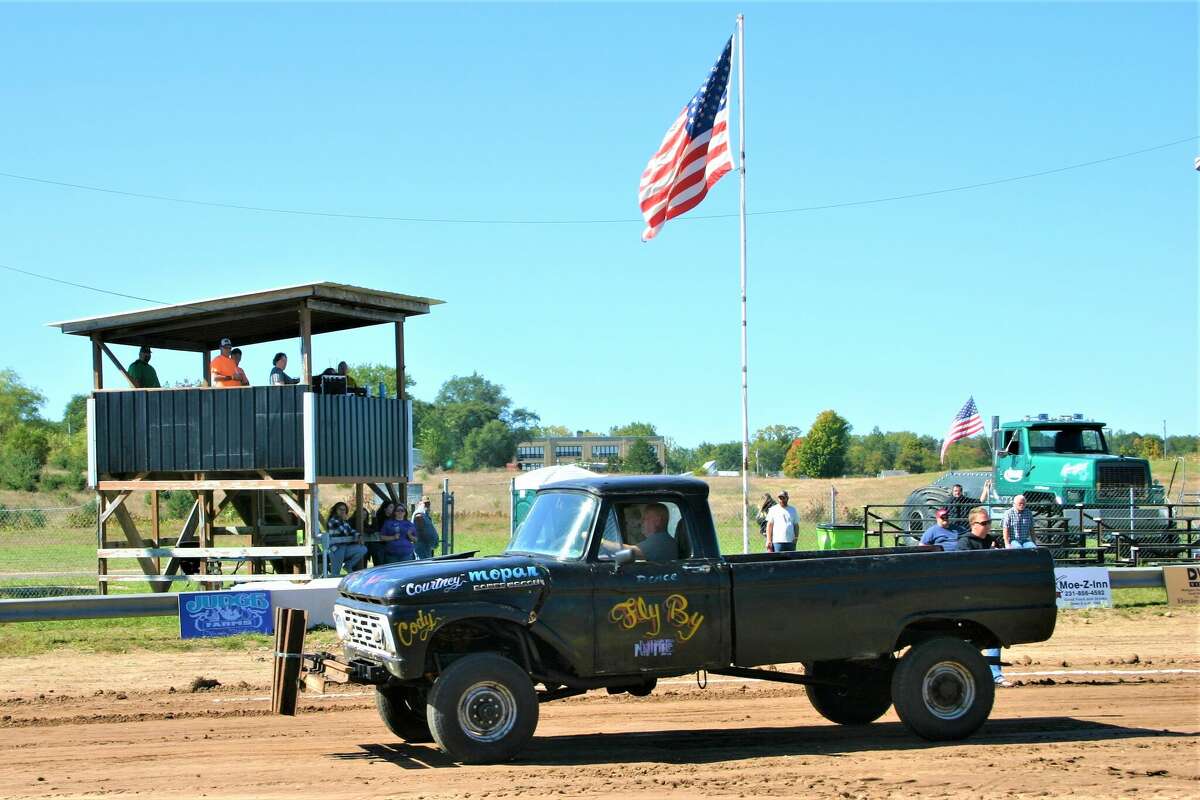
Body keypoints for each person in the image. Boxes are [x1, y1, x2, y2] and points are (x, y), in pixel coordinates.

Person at [958, 507, 1011, 687]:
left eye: (989, 522)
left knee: (994, 633)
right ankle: (965, 665)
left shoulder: (992, 540)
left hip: (990, 597)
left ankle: (995, 675)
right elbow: (965, 568)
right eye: (984, 523)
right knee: (975, 637)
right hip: (969, 598)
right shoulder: (964, 543)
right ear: (973, 524)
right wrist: (989, 555)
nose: (988, 526)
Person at [320, 502, 367, 575]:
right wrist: (345, 521)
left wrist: (359, 536)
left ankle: (348, 565)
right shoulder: (333, 520)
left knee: (362, 549)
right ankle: (333, 585)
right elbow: (344, 532)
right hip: (336, 549)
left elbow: (351, 530)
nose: (342, 511)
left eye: (344, 510)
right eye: (340, 509)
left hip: (345, 547)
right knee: (335, 573)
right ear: (335, 510)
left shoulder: (344, 521)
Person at [367, 500, 395, 567]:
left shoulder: (393, 519)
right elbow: (375, 529)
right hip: (378, 545)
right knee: (379, 565)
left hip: (388, 545)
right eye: (391, 507)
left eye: (393, 507)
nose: (393, 509)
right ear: (385, 508)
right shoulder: (379, 518)